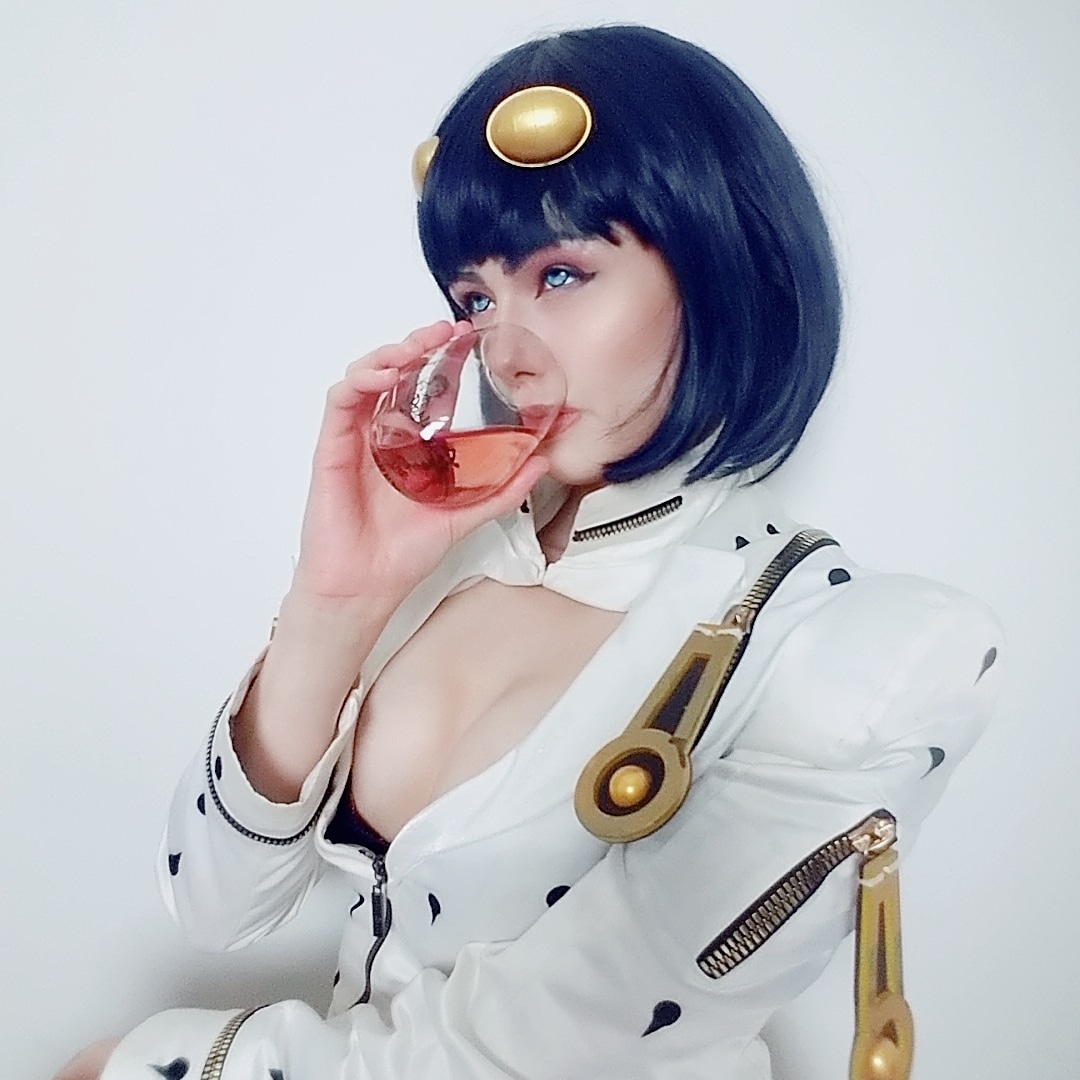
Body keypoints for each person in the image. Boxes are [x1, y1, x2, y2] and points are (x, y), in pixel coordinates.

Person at [61, 24, 1003, 1080]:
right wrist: (334, 599)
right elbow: (215, 908)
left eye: (560, 274)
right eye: (476, 299)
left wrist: (148, 1063)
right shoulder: (449, 557)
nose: (504, 355)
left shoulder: (849, 648)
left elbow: (540, 1052)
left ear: (721, 266)